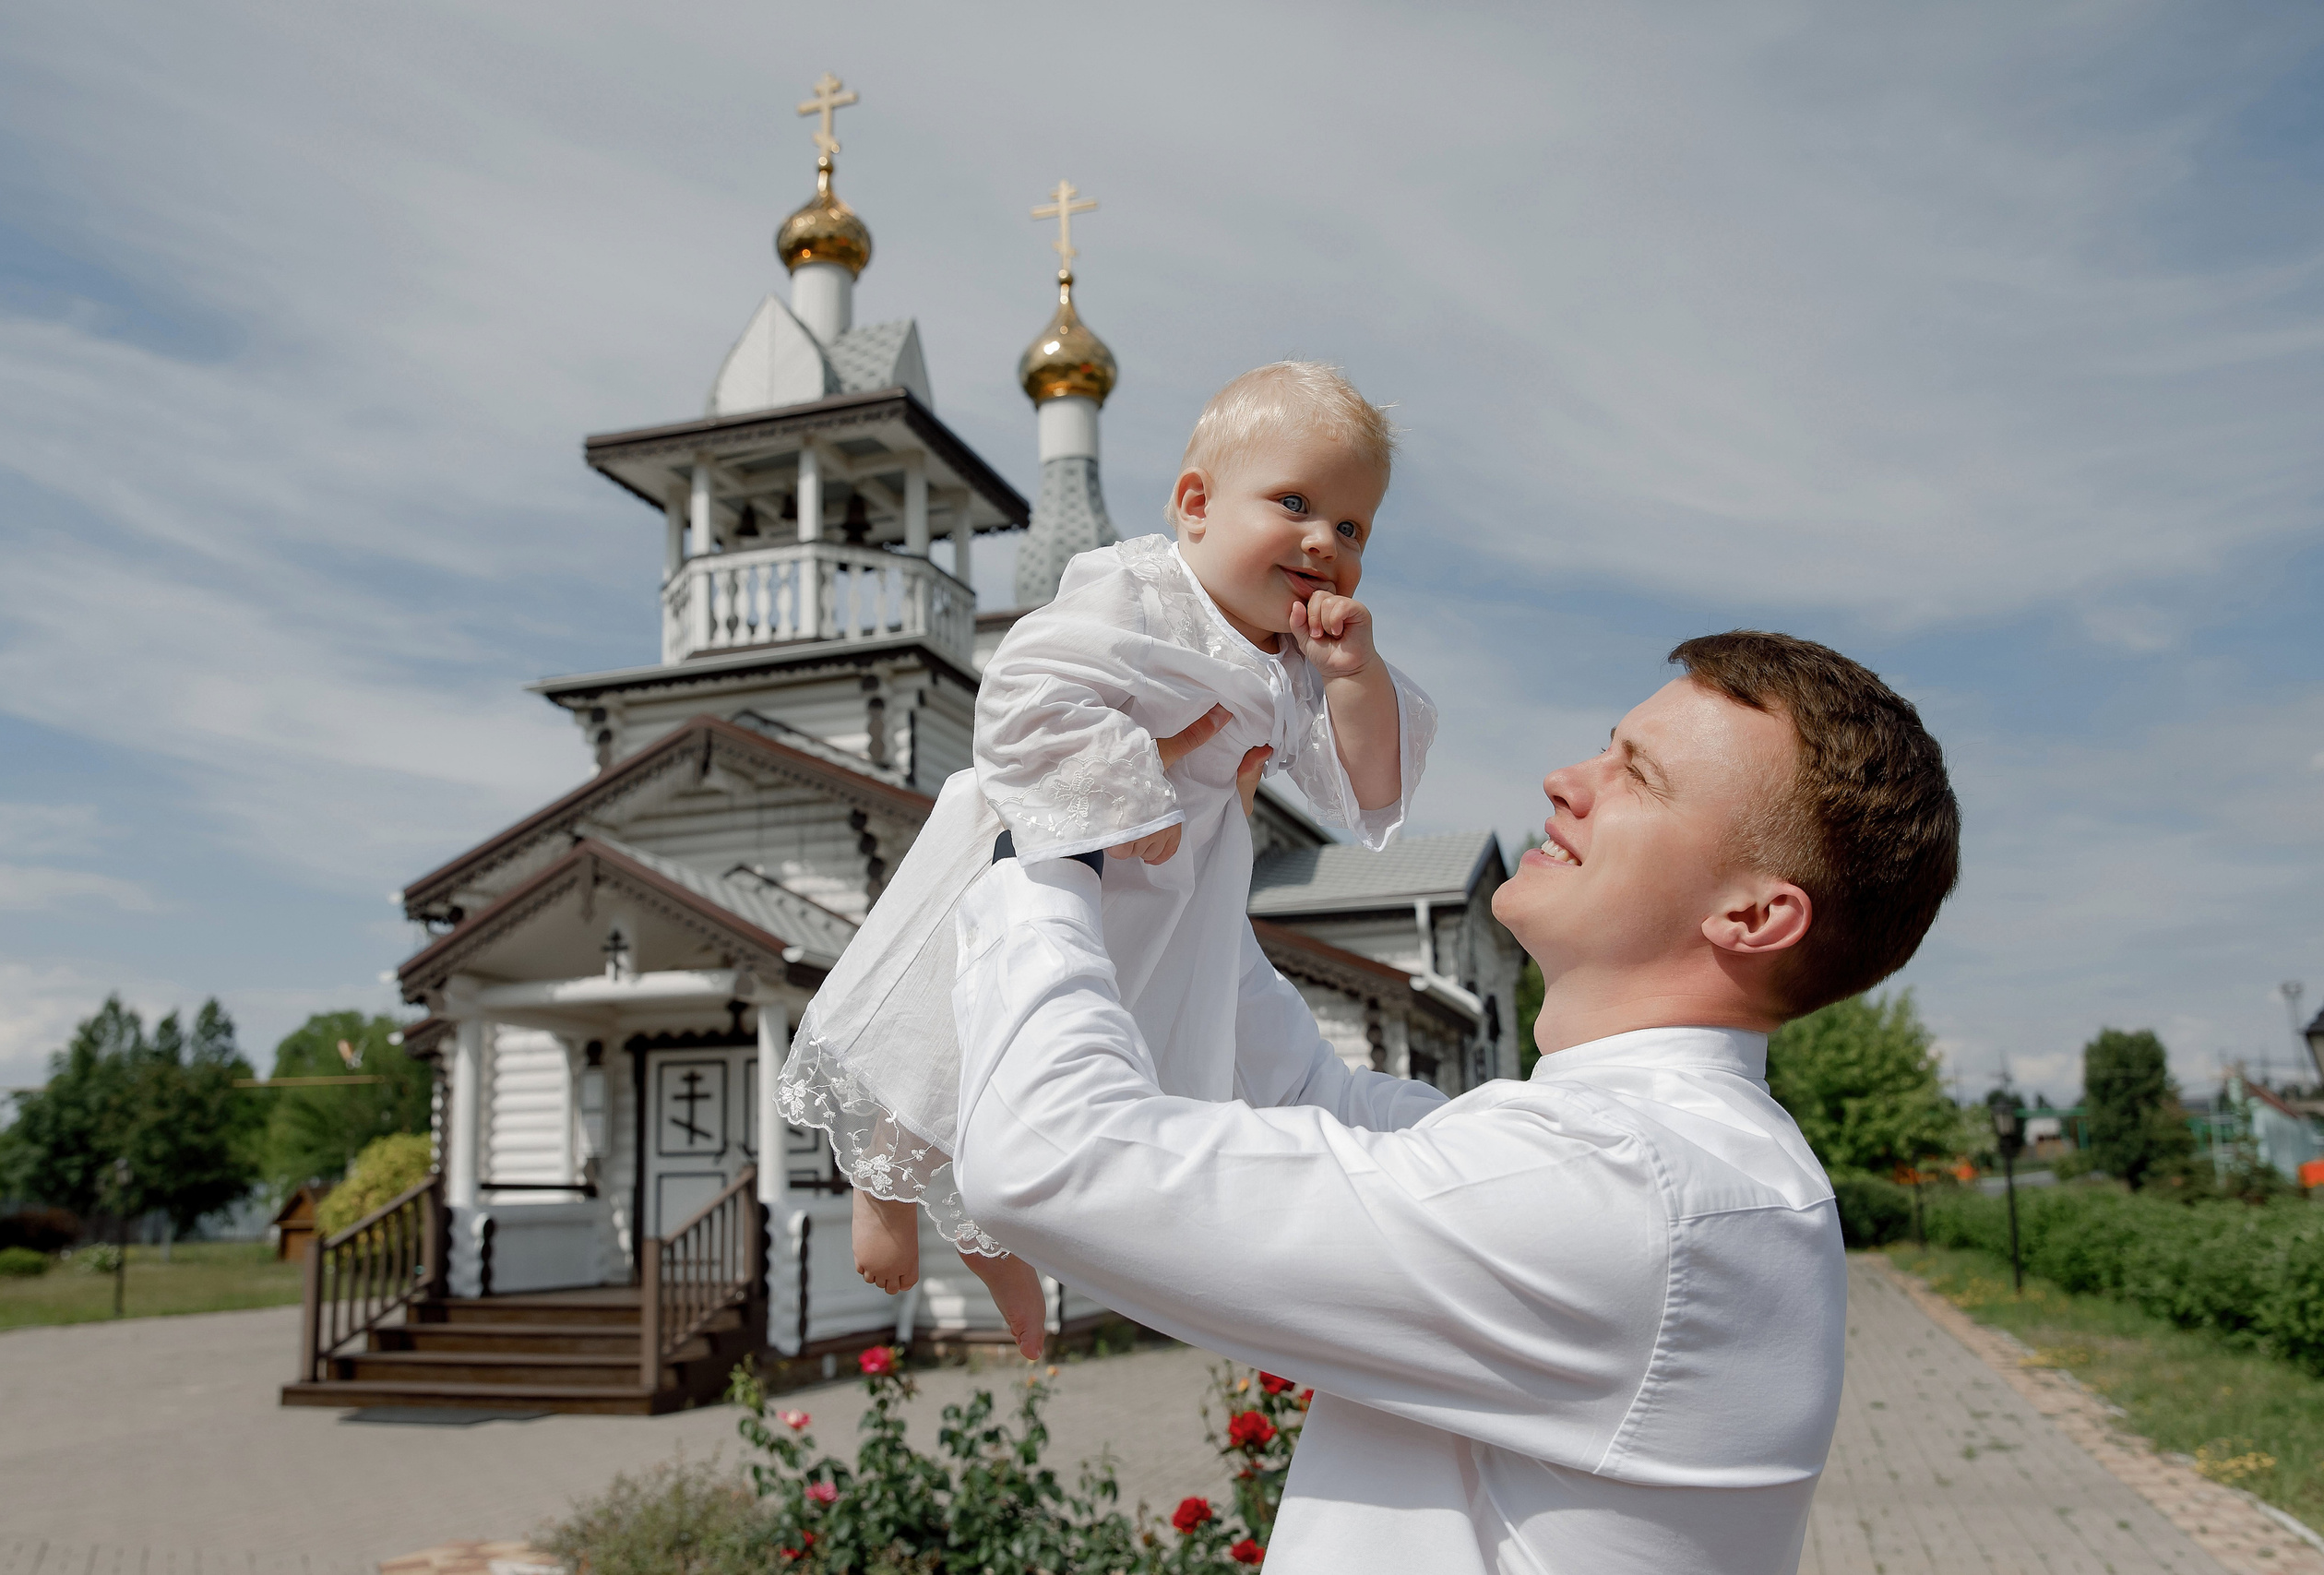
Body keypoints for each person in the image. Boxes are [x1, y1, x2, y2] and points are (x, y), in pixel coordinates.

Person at [949, 631, 1961, 1572]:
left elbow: (1048, 1156)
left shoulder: (1618, 1190)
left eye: (1640, 777)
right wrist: (1184, 842)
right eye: (1605, 747)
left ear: (1752, 914)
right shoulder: (1667, 1159)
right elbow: (1301, 1095)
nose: (1566, 781)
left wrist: (1044, 847)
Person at [777, 362, 1437, 1355]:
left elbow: (1367, 790)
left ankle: (1006, 1235)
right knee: (963, 1019)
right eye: (1296, 505)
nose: (1323, 544)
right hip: (1052, 843)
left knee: (1082, 1066)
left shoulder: (1295, 664)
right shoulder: (1141, 591)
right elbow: (1022, 694)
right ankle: (886, 1176)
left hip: (1173, 900)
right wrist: (1131, 790)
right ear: (1196, 506)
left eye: (1352, 529)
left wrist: (1355, 677)